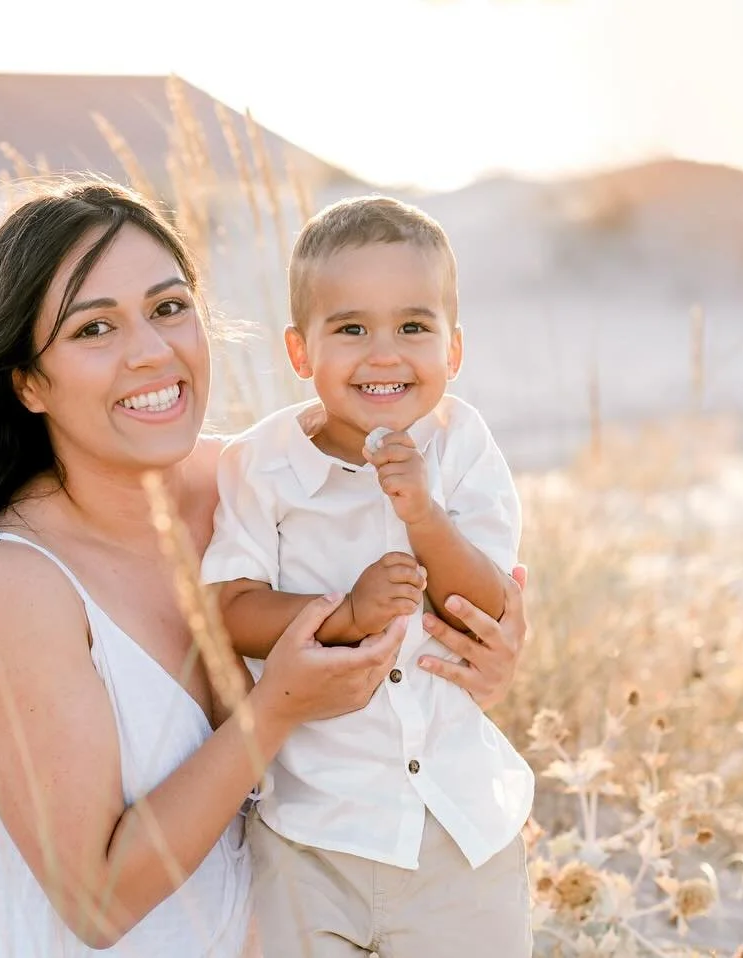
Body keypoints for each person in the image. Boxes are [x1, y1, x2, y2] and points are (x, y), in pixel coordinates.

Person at [0, 181, 531, 957]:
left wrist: (480, 655)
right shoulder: (10, 586)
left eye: (169, 308)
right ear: (29, 383)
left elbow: (413, 643)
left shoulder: (254, 484)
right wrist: (273, 711)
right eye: (94, 328)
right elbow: (94, 905)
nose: (151, 351)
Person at [202, 196, 534, 957]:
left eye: (413, 327)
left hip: (457, 830)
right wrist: (344, 615)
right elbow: (228, 607)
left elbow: (485, 606)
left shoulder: (464, 446)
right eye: (351, 328)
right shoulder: (261, 465)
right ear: (300, 352)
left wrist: (424, 514)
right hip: (310, 832)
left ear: (452, 352)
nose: (384, 354)